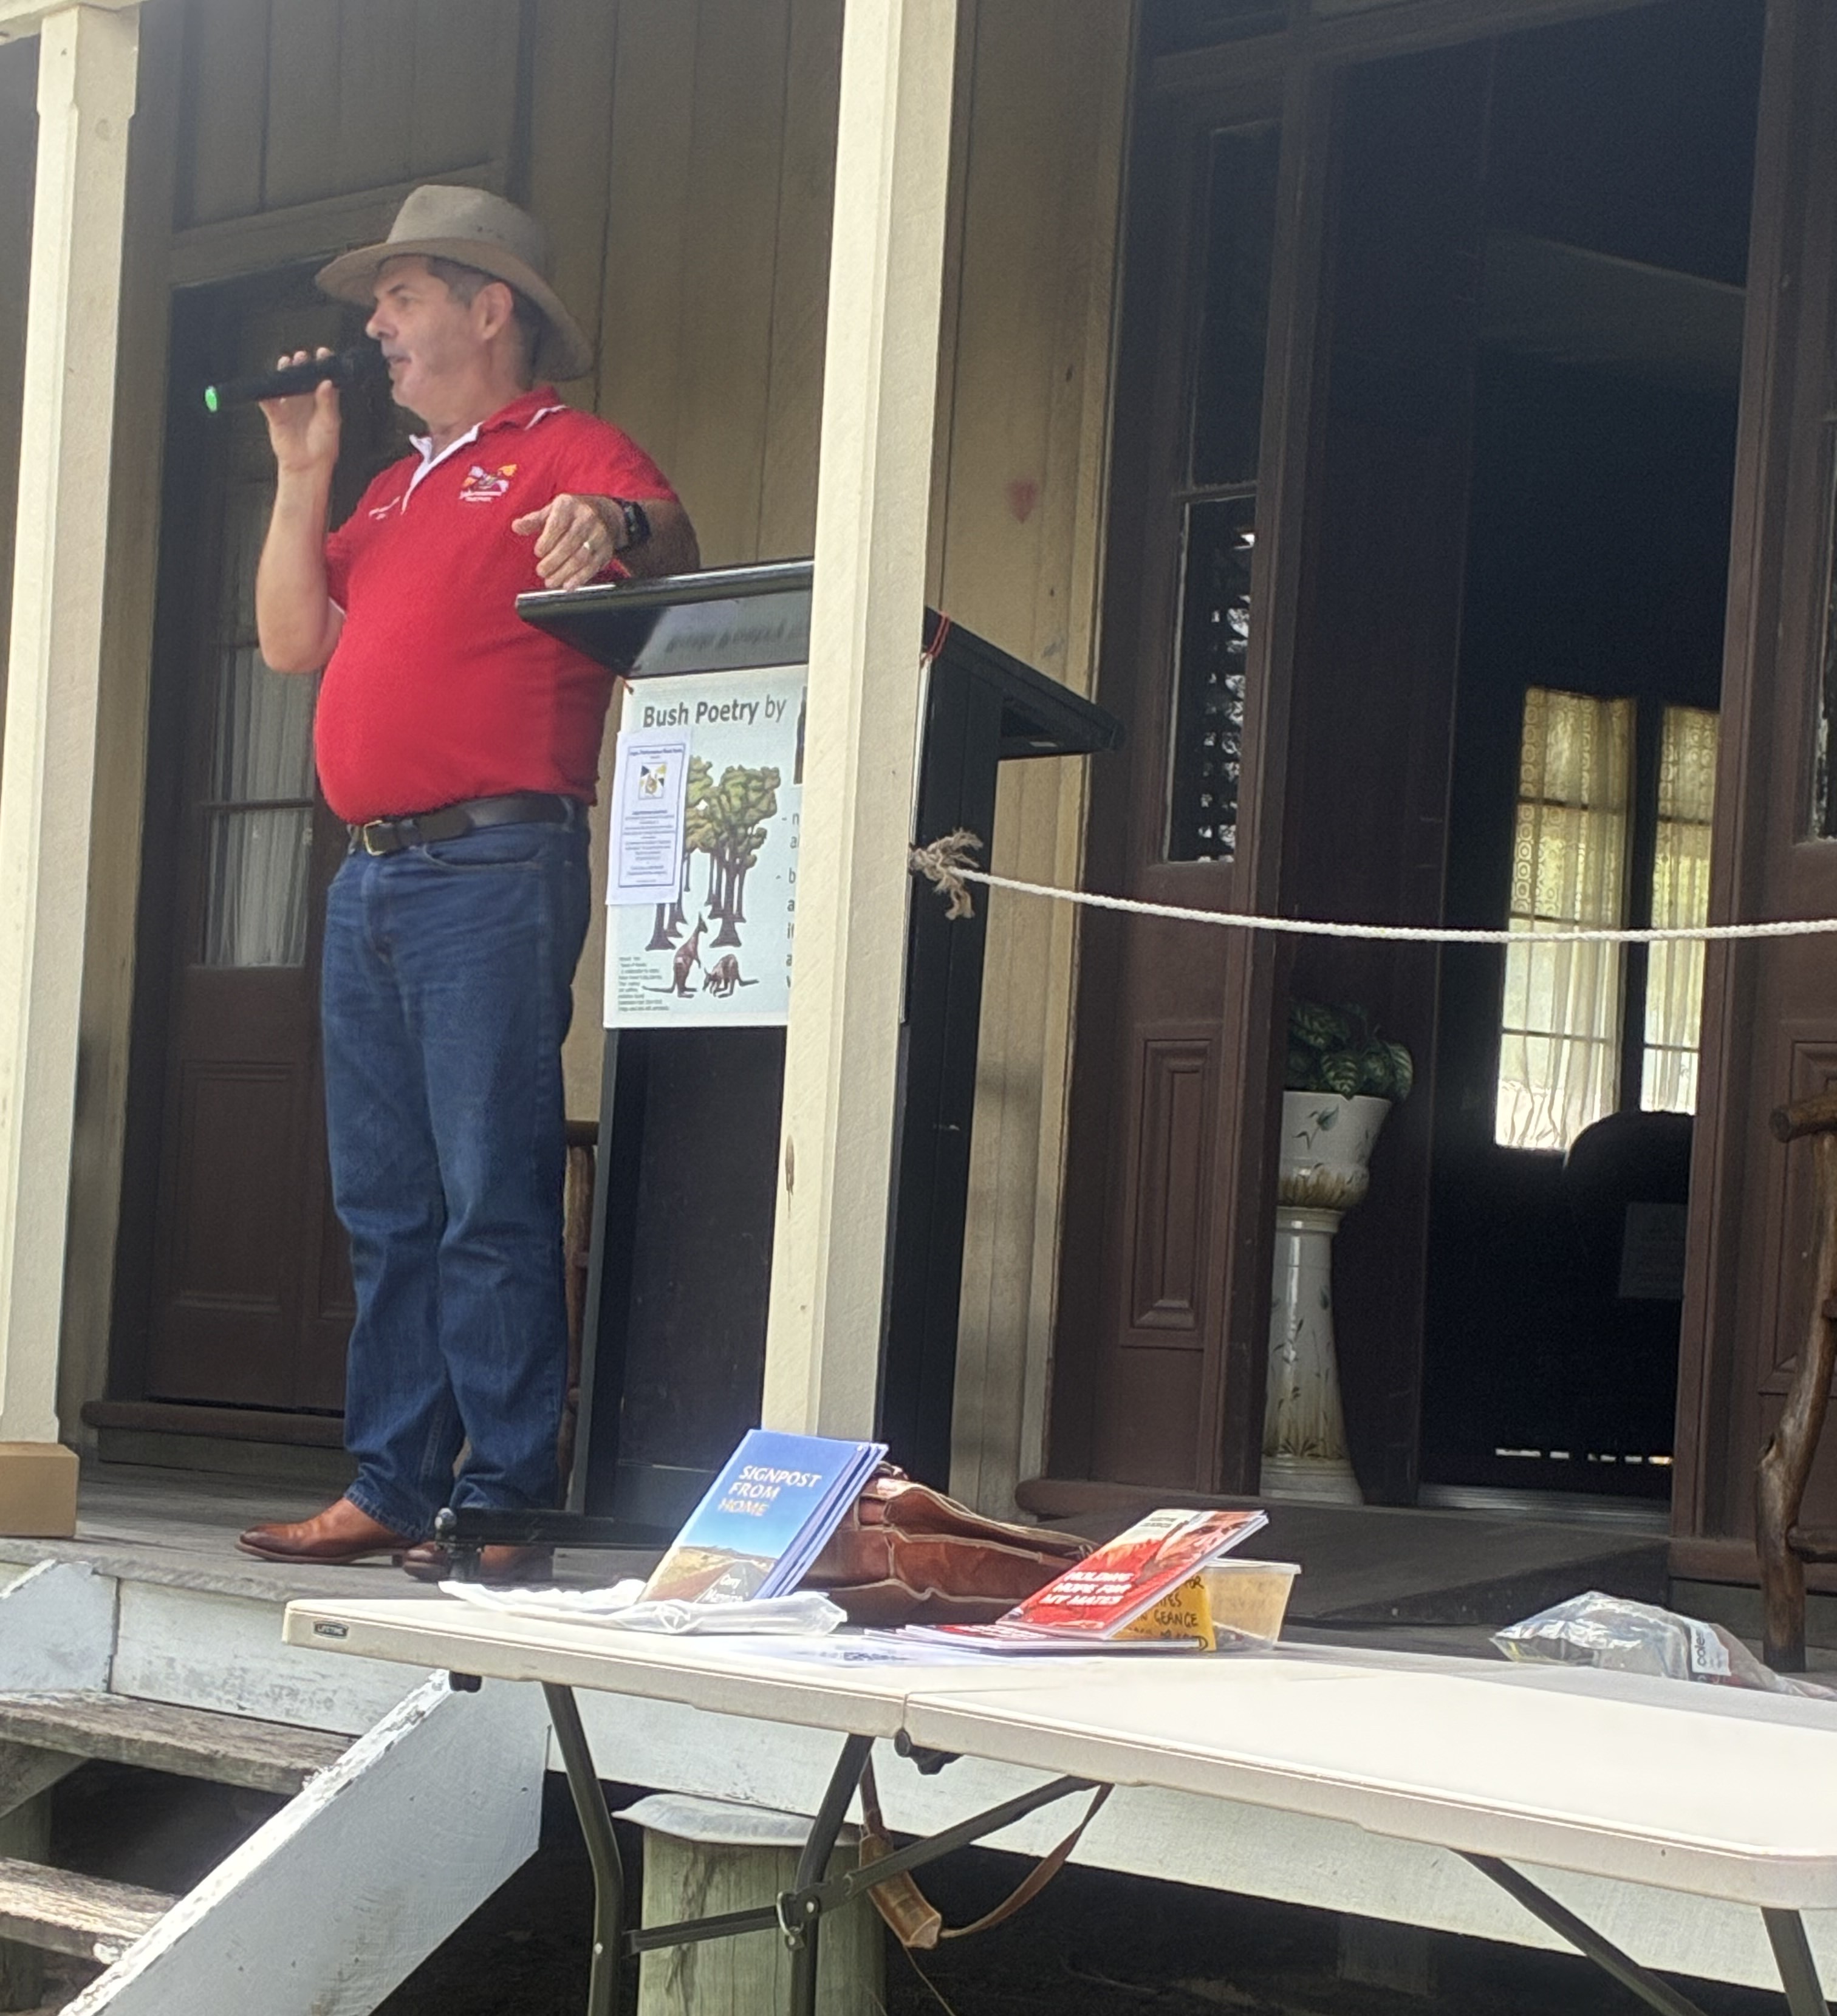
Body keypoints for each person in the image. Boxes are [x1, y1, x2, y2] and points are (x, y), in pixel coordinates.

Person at [238, 186, 697, 1580]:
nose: (373, 324)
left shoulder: (566, 446)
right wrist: (303, 470)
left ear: (490, 309)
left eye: (403, 296)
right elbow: (285, 641)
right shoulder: (393, 485)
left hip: (493, 862)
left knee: (486, 1186)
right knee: (387, 1199)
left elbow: (669, 545)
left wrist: (605, 527)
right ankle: (393, 1477)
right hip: (372, 878)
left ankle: (502, 1495)